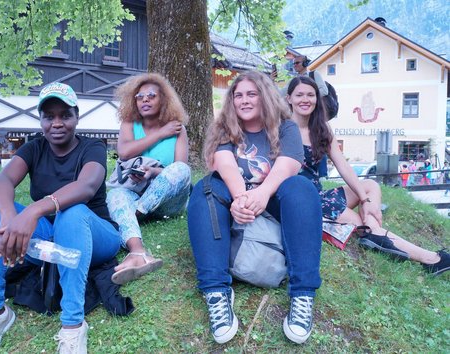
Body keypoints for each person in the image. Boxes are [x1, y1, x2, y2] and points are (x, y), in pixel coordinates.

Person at [0, 82, 122, 353]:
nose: (57, 123)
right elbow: (3, 180)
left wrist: (33, 209)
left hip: (95, 233)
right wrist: (8, 216)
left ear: (77, 117)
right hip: (51, 237)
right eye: (48, 116)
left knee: (72, 212)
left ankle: (73, 326)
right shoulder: (34, 148)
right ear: (40, 119)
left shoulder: (93, 147)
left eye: (65, 115)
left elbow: (87, 186)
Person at [188, 71, 323, 345]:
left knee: (302, 188)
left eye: (252, 94)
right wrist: (240, 197)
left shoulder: (286, 127)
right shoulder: (225, 127)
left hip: (273, 196)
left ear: (265, 97)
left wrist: (261, 194)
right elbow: (224, 163)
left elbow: (289, 164)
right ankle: (216, 292)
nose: (244, 101)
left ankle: (303, 295)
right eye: (238, 95)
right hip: (237, 194)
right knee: (205, 189)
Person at [288, 76, 449, 276]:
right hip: (303, 201)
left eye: (310, 95)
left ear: (316, 99)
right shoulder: (282, 128)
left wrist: (364, 199)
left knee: (371, 185)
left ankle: (372, 232)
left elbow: (343, 165)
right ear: (289, 99)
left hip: (320, 195)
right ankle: (430, 258)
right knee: (361, 222)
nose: (305, 99)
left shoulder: (321, 128)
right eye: (299, 95)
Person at [106, 73, 191, 285]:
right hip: (136, 191)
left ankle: (132, 214)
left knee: (180, 169)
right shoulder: (129, 123)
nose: (144, 100)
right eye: (139, 96)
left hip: (167, 203)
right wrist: (161, 133)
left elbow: (181, 172)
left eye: (151, 95)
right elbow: (124, 153)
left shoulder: (178, 128)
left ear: (164, 99)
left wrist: (153, 172)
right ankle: (137, 252)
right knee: (116, 193)